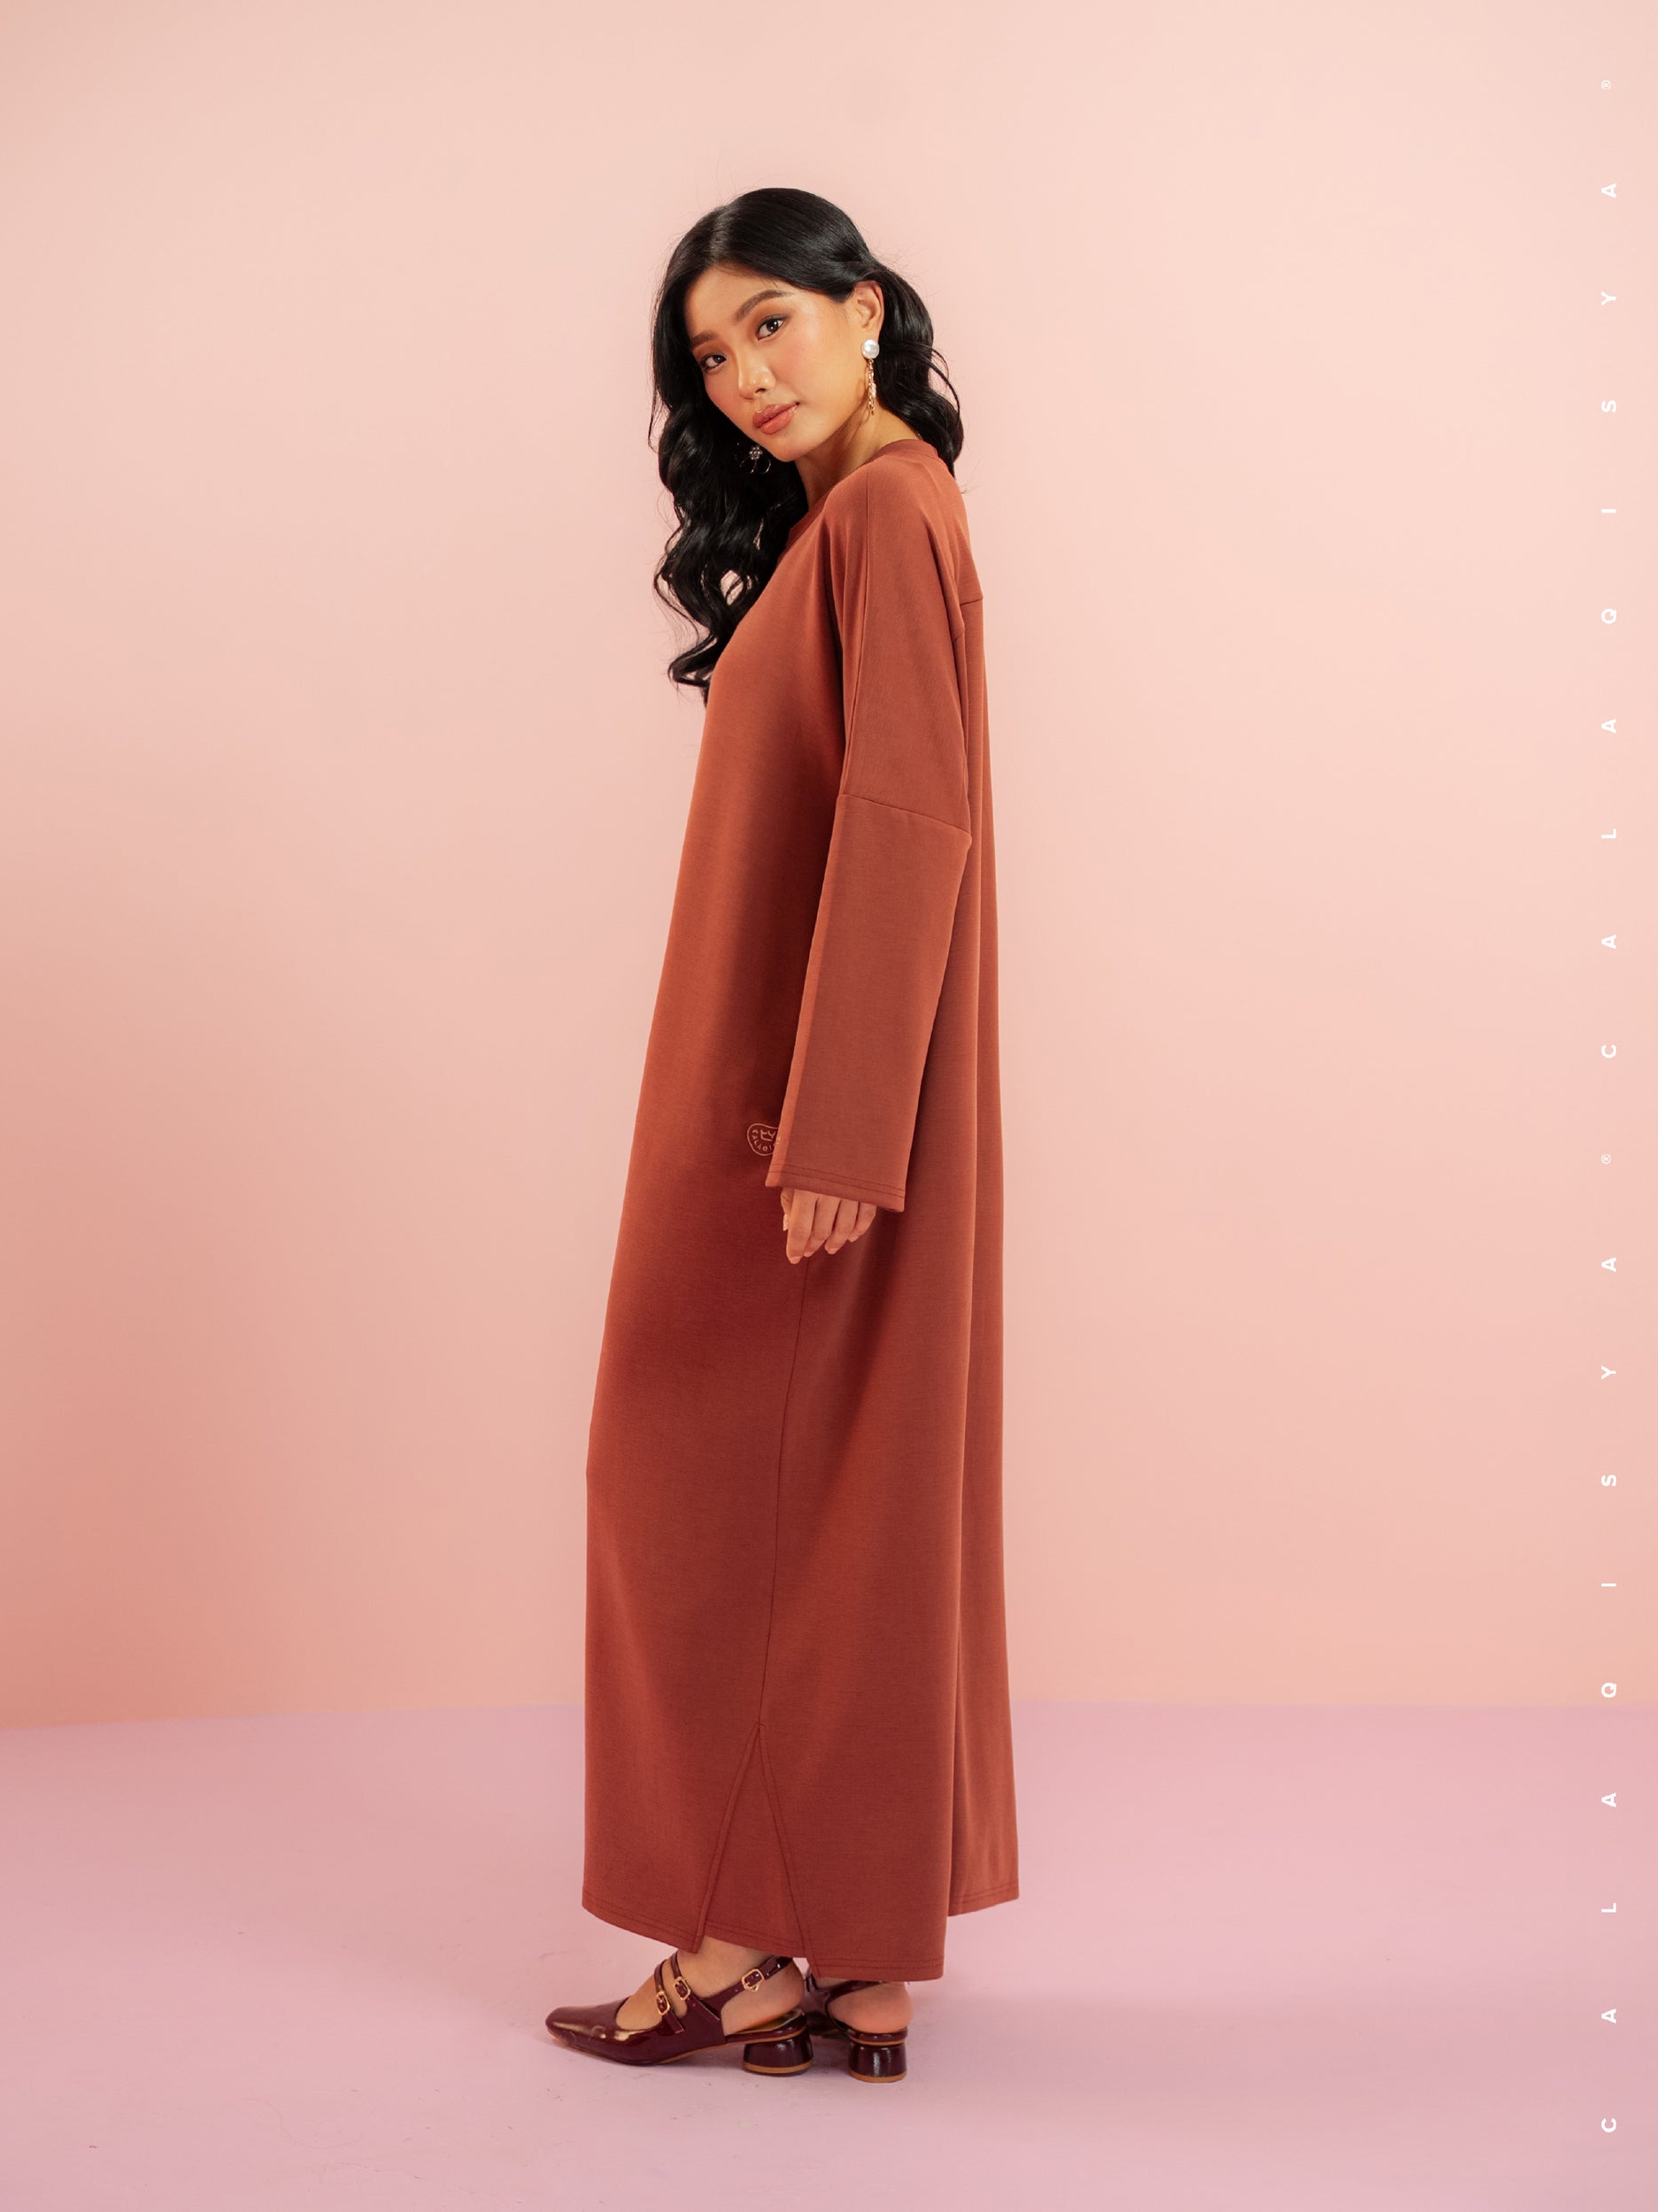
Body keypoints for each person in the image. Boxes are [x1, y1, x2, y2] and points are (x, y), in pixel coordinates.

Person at [544, 187, 1017, 2083]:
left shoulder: (888, 512)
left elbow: (909, 821)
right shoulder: (858, 520)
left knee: (700, 1485)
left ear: (866, 308)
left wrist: (839, 1127)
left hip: (800, 1113)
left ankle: (737, 1940)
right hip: (793, 1091)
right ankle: (850, 1956)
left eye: (771, 323)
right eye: (710, 352)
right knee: (836, 1513)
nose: (744, 372)